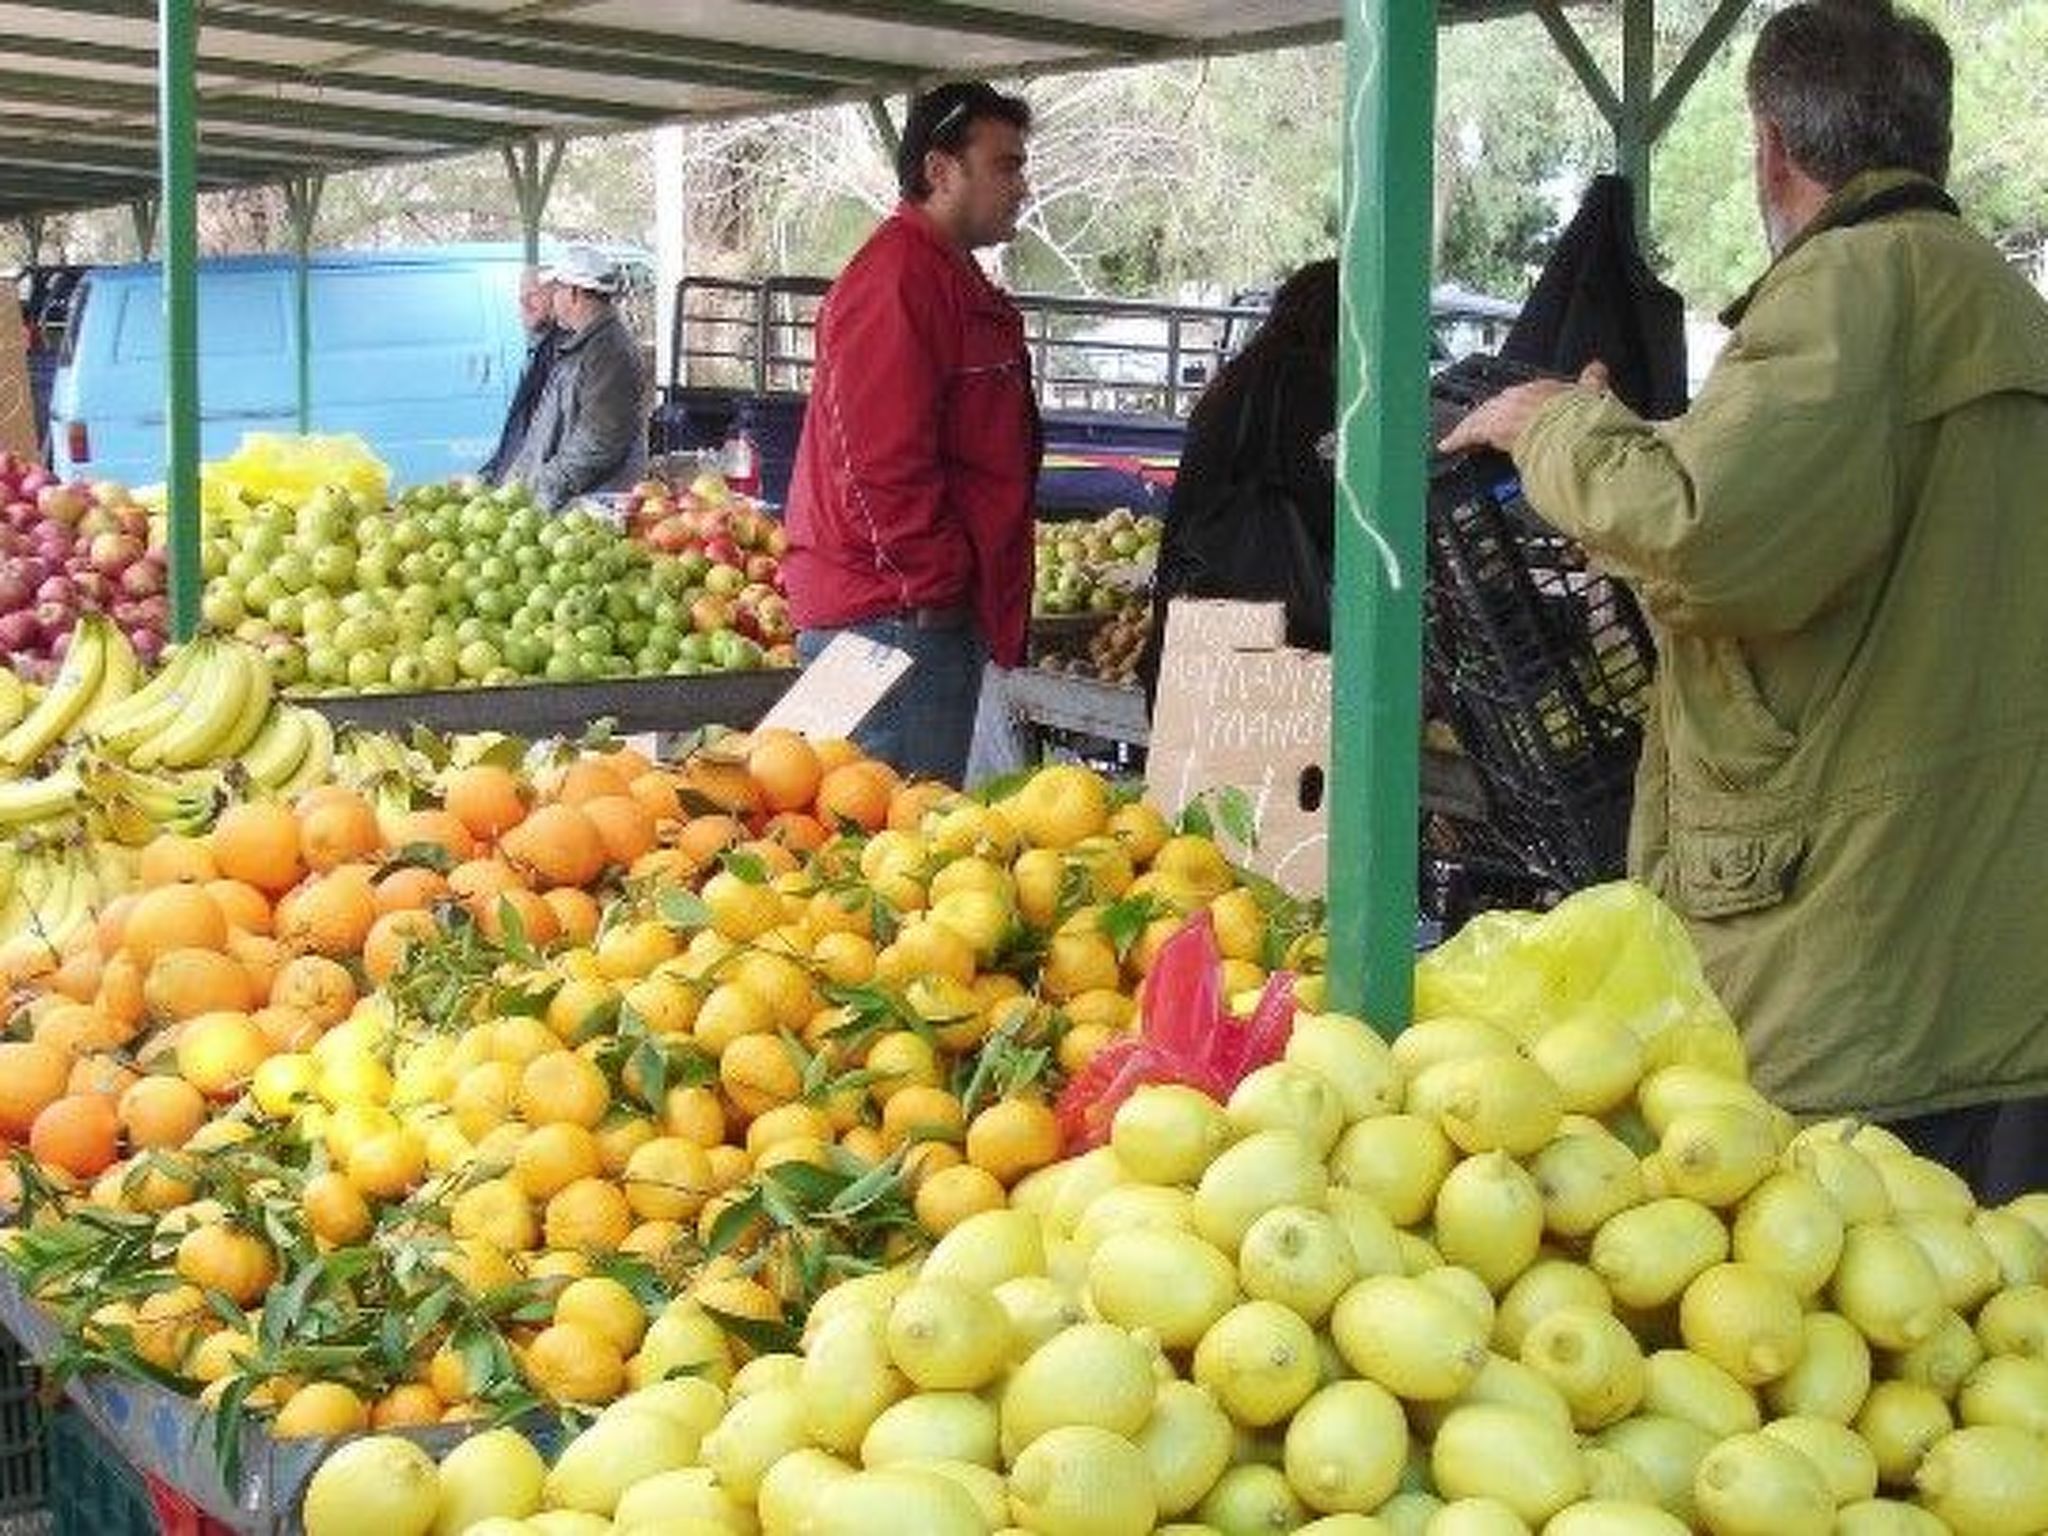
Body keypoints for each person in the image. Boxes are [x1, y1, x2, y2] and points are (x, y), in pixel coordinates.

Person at [1441, 0, 2048, 1201]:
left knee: (1845, 1326)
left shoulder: (1850, 292)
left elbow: (1705, 534)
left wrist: (1551, 422)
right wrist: (1636, 435)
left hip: (1858, 960)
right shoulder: (1995, 303)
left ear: (1772, 146)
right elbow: (1833, 503)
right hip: (1988, 946)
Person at [781, 80, 1039, 785]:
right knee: (888, 859)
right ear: (939, 169)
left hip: (907, 619)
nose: (1022, 186)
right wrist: (933, 587)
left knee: (894, 850)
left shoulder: (946, 278)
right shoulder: (897, 279)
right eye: (1005, 165)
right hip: (890, 626)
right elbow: (877, 463)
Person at [1136, 258, 1338, 710]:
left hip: (1195, 625)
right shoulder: (1301, 380)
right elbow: (1321, 504)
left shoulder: (1242, 375)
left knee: (1207, 775)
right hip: (1255, 631)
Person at [501, 244, 647, 510]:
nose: (552, 301)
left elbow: (599, 441)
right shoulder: (579, 344)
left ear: (575, 293)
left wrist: (546, 485)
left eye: (556, 290)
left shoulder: (608, 352)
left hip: (587, 513)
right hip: (566, 508)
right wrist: (517, 484)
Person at [479, 266, 561, 484]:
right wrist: (490, 473)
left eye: (533, 295)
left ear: (557, 298)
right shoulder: (539, 347)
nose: (524, 304)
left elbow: (542, 435)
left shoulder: (560, 350)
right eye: (520, 297)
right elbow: (518, 428)